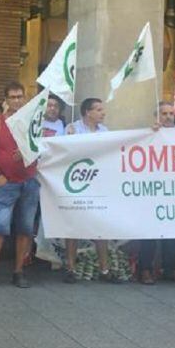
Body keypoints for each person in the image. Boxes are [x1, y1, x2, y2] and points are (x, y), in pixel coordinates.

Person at [0, 82, 38, 290]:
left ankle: (18, 272)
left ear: (25, 98)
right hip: (7, 182)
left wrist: (29, 151)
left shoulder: (32, 122)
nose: (17, 100)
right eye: (12, 97)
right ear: (6, 100)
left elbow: (43, 147)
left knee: (25, 228)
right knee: (0, 227)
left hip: (29, 182)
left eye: (20, 96)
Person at [62, 98, 115, 283]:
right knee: (74, 227)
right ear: (87, 112)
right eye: (98, 109)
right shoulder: (72, 129)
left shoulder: (105, 131)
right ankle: (70, 268)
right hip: (77, 183)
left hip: (98, 184)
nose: (103, 113)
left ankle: (105, 269)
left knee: (100, 226)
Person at [139, 101, 175, 285]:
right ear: (156, 116)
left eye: (171, 113)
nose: (168, 117)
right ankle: (145, 269)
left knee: (172, 234)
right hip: (153, 192)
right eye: (164, 114)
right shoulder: (148, 134)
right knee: (149, 233)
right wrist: (150, 134)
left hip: (174, 191)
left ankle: (170, 268)